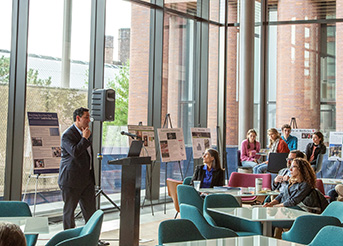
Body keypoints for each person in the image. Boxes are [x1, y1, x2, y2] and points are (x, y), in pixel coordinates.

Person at [58, 107, 96, 230]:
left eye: (89, 117)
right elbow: (75, 152)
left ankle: (93, 238)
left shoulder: (87, 133)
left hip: (87, 180)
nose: (89, 120)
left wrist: (86, 137)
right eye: (86, 117)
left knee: (91, 211)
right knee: (69, 212)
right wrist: (84, 138)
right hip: (71, 180)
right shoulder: (67, 135)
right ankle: (69, 239)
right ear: (78, 118)